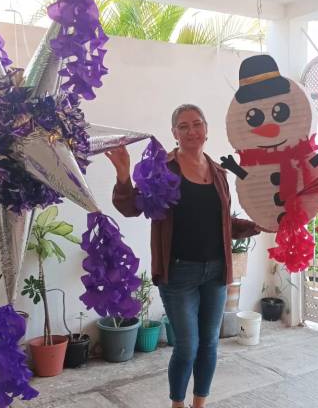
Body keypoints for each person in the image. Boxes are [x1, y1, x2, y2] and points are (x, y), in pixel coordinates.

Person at [106, 104, 261, 408]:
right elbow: (131, 207)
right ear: (174, 133)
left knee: (209, 344)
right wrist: (123, 175)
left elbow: (224, 224)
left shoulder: (218, 172)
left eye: (197, 124)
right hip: (178, 273)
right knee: (187, 346)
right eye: (184, 126)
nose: (192, 131)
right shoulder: (162, 169)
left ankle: (199, 403)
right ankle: (177, 404)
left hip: (216, 271)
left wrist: (258, 225)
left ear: (206, 129)